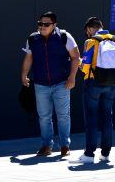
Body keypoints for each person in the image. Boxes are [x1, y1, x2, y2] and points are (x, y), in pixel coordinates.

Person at [21, 11, 80, 158]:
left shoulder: (64, 37)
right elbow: (29, 58)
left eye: (46, 24)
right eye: (40, 24)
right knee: (44, 116)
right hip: (41, 84)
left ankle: (65, 145)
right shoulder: (33, 39)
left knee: (63, 116)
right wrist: (24, 74)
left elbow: (76, 56)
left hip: (61, 83)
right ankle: (46, 145)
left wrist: (72, 77)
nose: (42, 26)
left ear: (54, 25)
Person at [75, 18, 115, 165]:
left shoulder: (91, 42)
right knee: (107, 118)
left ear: (90, 29)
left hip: (93, 83)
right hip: (111, 83)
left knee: (91, 118)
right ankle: (105, 154)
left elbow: (85, 67)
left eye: (87, 31)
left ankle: (89, 154)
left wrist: (78, 62)